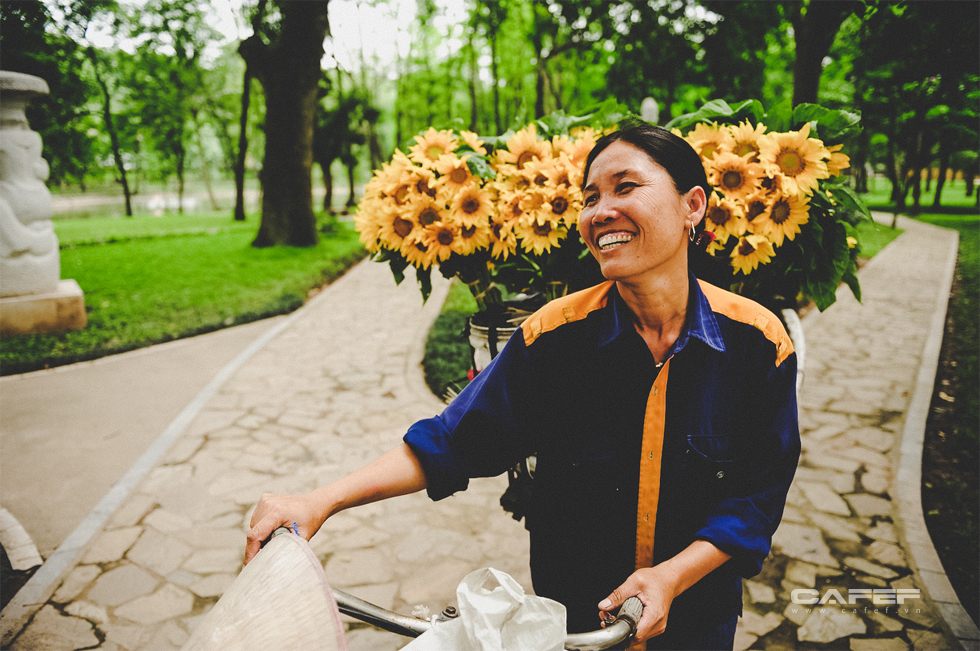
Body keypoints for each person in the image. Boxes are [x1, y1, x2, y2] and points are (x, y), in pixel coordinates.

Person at [245, 120, 801, 650]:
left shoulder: (758, 345)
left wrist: (671, 579)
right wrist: (320, 501)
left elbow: (753, 499)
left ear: (693, 206)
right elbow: (451, 442)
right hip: (573, 626)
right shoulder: (552, 340)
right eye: (588, 198)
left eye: (625, 187)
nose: (601, 211)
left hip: (697, 622)